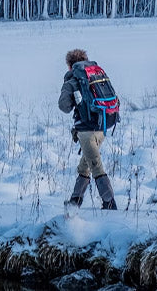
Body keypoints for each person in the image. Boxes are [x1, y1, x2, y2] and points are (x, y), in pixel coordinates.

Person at [59, 48, 117, 209]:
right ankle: (75, 200)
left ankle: (109, 203)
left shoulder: (72, 81)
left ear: (70, 66)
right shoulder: (97, 76)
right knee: (85, 164)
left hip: (86, 130)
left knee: (95, 165)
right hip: (103, 125)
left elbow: (64, 107)